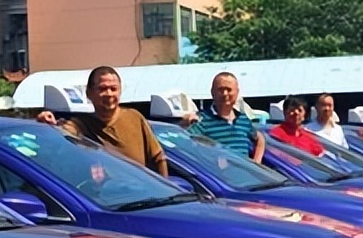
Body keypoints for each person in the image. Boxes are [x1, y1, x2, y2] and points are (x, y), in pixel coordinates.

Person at [36, 66, 168, 176]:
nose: (109, 94)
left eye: (114, 89)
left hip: (142, 196)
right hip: (107, 200)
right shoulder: (83, 124)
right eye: (102, 89)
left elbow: (159, 158)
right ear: (89, 93)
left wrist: (167, 191)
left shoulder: (135, 118)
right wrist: (49, 123)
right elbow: (66, 130)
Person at [184, 72, 266, 162]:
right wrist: (184, 123)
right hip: (217, 175)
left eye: (229, 89)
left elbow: (259, 138)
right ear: (212, 92)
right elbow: (183, 140)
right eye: (220, 89)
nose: (225, 93)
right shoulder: (202, 120)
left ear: (237, 92)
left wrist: (257, 162)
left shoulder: (243, 119)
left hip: (244, 174)